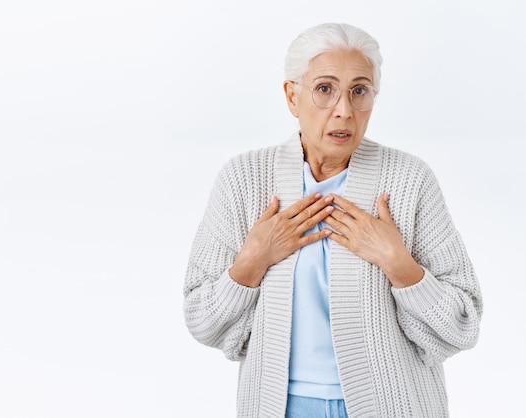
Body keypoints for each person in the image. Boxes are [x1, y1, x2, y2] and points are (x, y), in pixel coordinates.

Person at [183, 22, 482, 418]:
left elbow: (463, 324)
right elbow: (201, 320)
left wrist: (399, 265)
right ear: (292, 96)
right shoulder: (243, 181)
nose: (344, 109)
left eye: (359, 91)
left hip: (393, 407)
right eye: (325, 89)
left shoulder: (410, 181)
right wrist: (251, 263)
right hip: (279, 407)